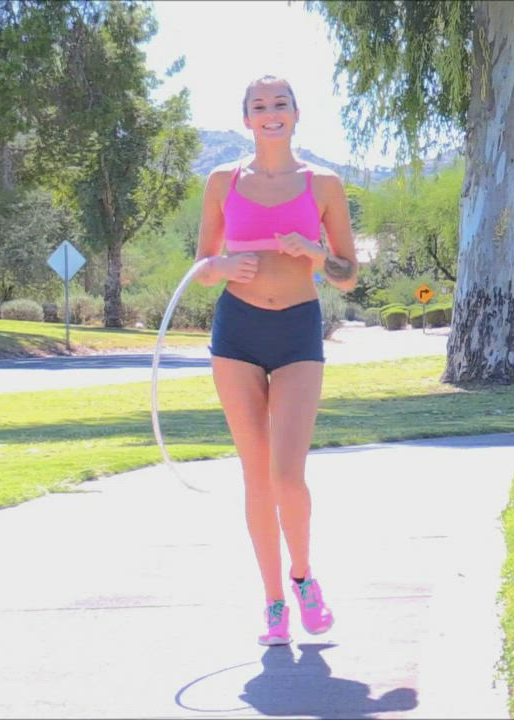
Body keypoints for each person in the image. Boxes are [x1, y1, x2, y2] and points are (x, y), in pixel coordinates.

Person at [194, 74, 358, 645]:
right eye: (259, 106)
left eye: (279, 104)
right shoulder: (221, 181)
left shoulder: (325, 185)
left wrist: (316, 252)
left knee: (288, 475)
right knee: (256, 475)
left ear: (296, 113)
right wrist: (220, 268)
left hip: (296, 330)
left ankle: (303, 576)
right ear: (246, 118)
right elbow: (201, 265)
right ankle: (271, 603)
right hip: (236, 331)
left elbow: (348, 272)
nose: (270, 113)